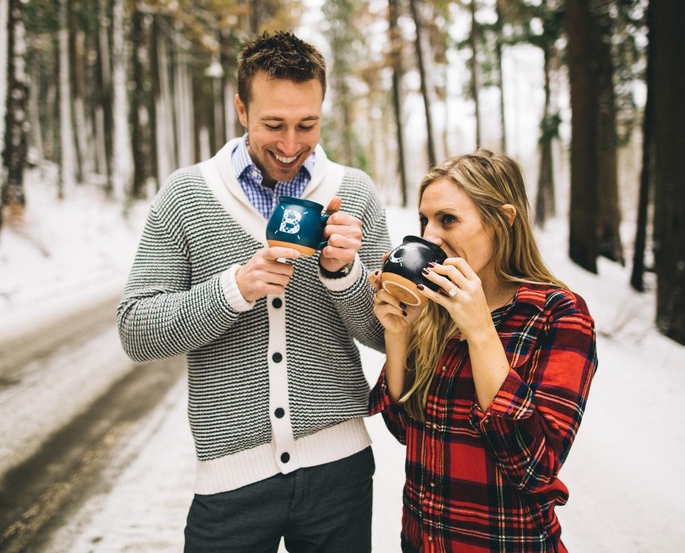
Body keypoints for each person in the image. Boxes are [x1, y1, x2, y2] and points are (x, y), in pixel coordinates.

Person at [118, 30, 391, 552]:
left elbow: (389, 333)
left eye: (307, 125)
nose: (291, 145)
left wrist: (345, 275)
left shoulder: (353, 192)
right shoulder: (186, 195)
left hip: (340, 474)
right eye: (274, 125)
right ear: (241, 108)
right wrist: (232, 290)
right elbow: (136, 330)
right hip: (230, 485)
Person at [368, 150, 597, 552]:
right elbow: (405, 429)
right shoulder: (435, 310)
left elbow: (534, 466)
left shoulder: (558, 315)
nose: (430, 237)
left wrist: (480, 330)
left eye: (448, 219)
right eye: (425, 220)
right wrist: (399, 333)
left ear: (504, 220)